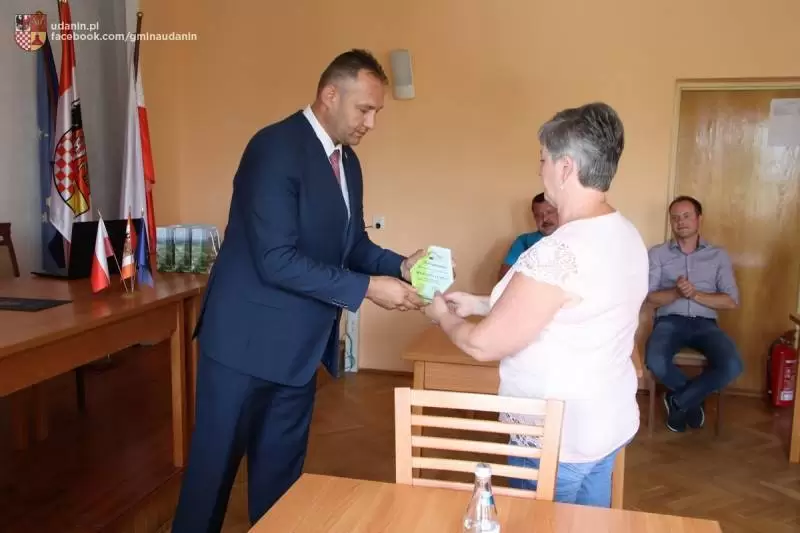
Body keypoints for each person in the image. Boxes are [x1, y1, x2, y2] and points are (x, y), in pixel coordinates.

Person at [171, 49, 429, 533]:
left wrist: (401, 266)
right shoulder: (274, 148)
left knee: (281, 488)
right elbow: (276, 259)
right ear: (330, 95)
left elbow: (352, 244)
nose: (371, 123)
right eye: (364, 109)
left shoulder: (348, 163)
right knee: (210, 483)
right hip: (243, 347)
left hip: (299, 352)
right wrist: (368, 288)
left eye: (377, 112)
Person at [423, 102, 648, 508]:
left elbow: (482, 345)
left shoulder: (559, 251)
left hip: (557, 440)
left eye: (543, 159)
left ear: (566, 168)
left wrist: (441, 316)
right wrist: (479, 303)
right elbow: (570, 309)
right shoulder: (625, 233)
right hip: (604, 425)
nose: (540, 170)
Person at [644, 195, 742, 433]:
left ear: (699, 219)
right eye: (675, 217)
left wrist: (695, 294)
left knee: (732, 365)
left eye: (687, 216)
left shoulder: (718, 255)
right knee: (654, 360)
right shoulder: (657, 254)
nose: (681, 222)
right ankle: (692, 400)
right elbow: (648, 297)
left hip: (706, 325)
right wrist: (676, 293)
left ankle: (678, 400)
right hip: (669, 321)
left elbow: (731, 301)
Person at [498, 193, 559, 280]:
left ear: (559, 212)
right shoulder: (524, 241)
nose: (544, 219)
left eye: (549, 212)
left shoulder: (573, 237)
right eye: (538, 215)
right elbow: (504, 276)